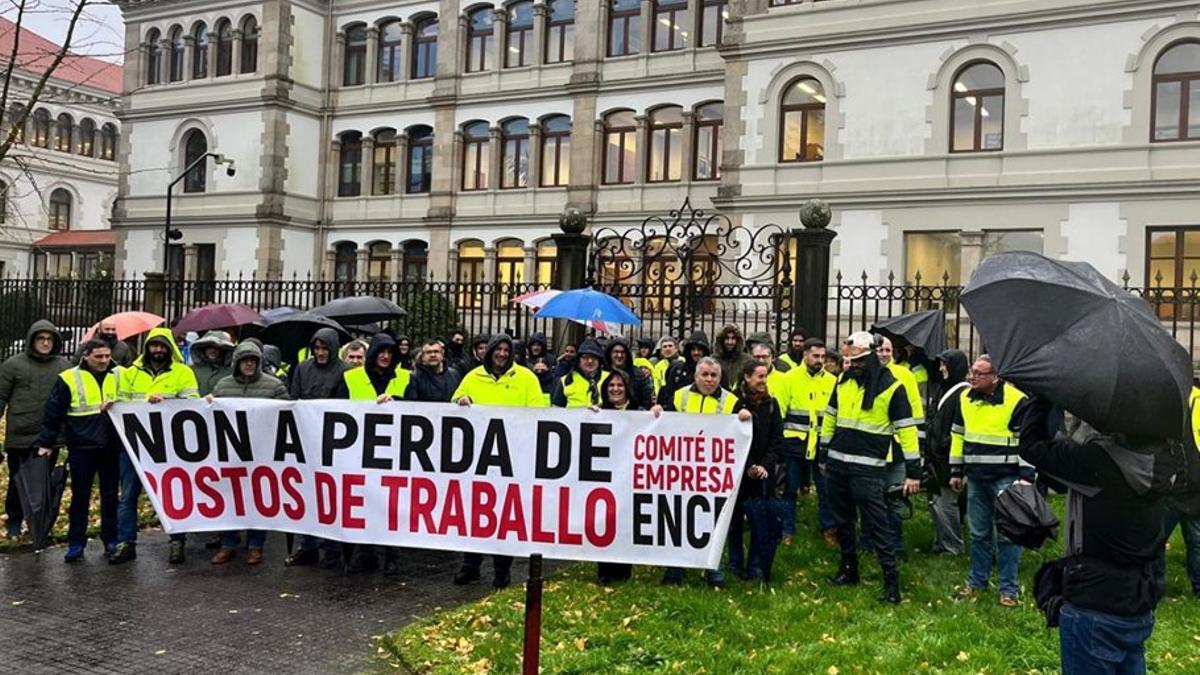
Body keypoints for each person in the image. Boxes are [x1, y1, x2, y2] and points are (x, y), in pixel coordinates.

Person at [1019, 396, 1178, 674]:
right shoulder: (1165, 458)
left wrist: (1043, 397)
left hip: (1094, 601)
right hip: (1139, 596)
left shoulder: (1096, 462)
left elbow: (1032, 447)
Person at [818, 331, 920, 604]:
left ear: (873, 356)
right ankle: (848, 570)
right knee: (843, 521)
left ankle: (891, 583)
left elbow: (907, 431)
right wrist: (823, 451)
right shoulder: (843, 381)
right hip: (839, 464)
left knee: (878, 524)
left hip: (868, 469)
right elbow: (830, 416)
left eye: (860, 360)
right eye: (851, 360)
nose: (855, 365)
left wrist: (914, 471)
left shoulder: (892, 387)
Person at [452, 333, 548, 588]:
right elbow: (454, 402)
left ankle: (501, 570)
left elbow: (538, 412)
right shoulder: (472, 377)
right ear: (489, 351)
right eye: (498, 349)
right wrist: (461, 401)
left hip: (512, 458)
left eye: (507, 350)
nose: (502, 354)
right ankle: (470, 565)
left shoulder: (526, 378)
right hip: (478, 459)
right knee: (474, 513)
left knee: (505, 516)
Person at [655, 357, 751, 588]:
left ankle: (713, 572)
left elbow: (742, 431)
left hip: (713, 475)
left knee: (714, 523)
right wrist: (657, 411)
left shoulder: (732, 401)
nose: (709, 379)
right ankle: (674, 572)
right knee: (678, 521)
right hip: (682, 471)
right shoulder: (679, 396)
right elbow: (662, 424)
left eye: (714, 375)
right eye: (705, 374)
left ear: (720, 378)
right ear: (696, 376)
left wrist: (745, 418)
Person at [110, 327, 200, 565]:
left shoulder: (184, 373)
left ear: (170, 349)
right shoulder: (131, 373)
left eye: (163, 346)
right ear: (147, 347)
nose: (158, 350)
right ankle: (126, 542)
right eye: (154, 345)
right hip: (135, 444)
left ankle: (177, 541)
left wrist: (167, 401)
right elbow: (122, 402)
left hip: (170, 446)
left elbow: (193, 404)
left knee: (174, 494)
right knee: (128, 494)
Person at [949, 355, 1030, 606]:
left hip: (1006, 479)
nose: (972, 377)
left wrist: (1026, 477)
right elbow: (957, 435)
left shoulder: (1017, 401)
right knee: (979, 533)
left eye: (979, 373)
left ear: (996, 377)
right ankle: (976, 582)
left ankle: (1009, 589)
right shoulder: (964, 398)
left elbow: (1028, 442)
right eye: (972, 371)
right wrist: (955, 470)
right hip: (975, 478)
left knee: (1008, 535)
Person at [36, 339, 121, 562]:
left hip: (112, 444)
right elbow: (54, 412)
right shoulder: (69, 378)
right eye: (99, 357)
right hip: (82, 445)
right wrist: (46, 442)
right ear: (86, 355)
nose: (104, 361)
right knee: (80, 496)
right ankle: (76, 543)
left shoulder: (121, 374)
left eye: (107, 356)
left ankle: (111, 540)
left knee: (111, 495)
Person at [207, 341, 289, 565]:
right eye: (245, 360)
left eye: (253, 360)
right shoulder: (223, 386)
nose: (250, 364)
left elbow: (286, 415)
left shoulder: (274, 386)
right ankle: (228, 544)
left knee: (259, 498)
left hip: (262, 452)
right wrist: (208, 404)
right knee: (229, 497)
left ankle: (255, 545)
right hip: (231, 452)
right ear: (237, 363)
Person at [334, 333, 409, 574]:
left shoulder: (406, 378)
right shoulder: (349, 377)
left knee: (392, 505)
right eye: (381, 351)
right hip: (359, 451)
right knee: (361, 503)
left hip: (395, 451)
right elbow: (335, 408)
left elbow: (420, 406)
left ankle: (391, 555)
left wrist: (396, 401)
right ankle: (363, 554)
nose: (385, 356)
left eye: (390, 352)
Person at [285, 327, 350, 569]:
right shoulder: (303, 368)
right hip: (306, 437)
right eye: (317, 348)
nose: (320, 353)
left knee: (330, 493)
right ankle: (308, 545)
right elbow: (294, 398)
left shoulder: (344, 371)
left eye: (325, 348)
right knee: (307, 493)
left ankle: (332, 547)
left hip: (332, 441)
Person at [0, 320, 69, 539]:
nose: (45, 343)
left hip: (49, 436)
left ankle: (37, 524)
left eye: (49, 339)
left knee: (43, 482)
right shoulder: (13, 365)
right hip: (19, 435)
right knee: (17, 480)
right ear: (32, 340)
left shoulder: (63, 367)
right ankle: (14, 521)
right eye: (41, 339)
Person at [728, 361, 784, 582]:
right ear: (747, 378)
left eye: (765, 377)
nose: (764, 381)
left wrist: (764, 466)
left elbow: (777, 439)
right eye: (760, 377)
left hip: (763, 474)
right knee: (734, 523)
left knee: (760, 523)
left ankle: (756, 567)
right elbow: (731, 438)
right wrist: (749, 464)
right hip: (739, 472)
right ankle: (734, 565)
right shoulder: (735, 403)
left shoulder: (771, 404)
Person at [782, 338, 837, 545]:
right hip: (795, 443)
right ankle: (787, 530)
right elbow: (781, 411)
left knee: (826, 490)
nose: (820, 360)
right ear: (805, 355)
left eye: (823, 356)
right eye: (815, 356)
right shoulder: (790, 378)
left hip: (822, 444)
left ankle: (829, 529)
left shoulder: (832, 381)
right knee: (790, 488)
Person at [875, 335, 926, 558]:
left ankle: (895, 545)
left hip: (897, 447)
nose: (885, 354)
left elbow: (915, 409)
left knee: (895, 499)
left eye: (888, 350)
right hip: (873, 448)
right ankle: (871, 542)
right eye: (880, 350)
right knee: (873, 501)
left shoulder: (905, 375)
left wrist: (917, 443)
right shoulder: (866, 374)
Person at [594, 369, 645, 585]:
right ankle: (604, 571)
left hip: (629, 477)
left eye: (620, 386)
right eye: (611, 386)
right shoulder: (598, 412)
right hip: (604, 477)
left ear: (627, 388)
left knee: (625, 523)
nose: (615, 389)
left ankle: (624, 571)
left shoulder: (639, 412)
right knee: (603, 522)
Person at [925, 349, 969, 557]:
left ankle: (952, 546)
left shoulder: (963, 392)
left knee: (946, 503)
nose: (941, 369)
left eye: (945, 365)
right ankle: (940, 542)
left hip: (947, 456)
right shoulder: (945, 389)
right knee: (936, 502)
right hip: (937, 456)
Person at [1157, 385, 1200, 598]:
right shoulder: (1196, 401)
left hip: (1173, 487)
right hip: (1196, 488)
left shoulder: (1167, 400)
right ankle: (1199, 587)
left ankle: (1155, 587)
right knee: (1198, 543)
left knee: (1156, 540)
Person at [551, 338, 607, 408]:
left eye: (594, 357)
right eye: (585, 357)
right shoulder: (565, 381)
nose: (590, 361)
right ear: (579, 360)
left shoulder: (609, 378)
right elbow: (556, 409)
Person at [658, 331, 710, 406]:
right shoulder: (676, 370)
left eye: (700, 350)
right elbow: (669, 395)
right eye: (693, 349)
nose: (696, 353)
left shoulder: (713, 371)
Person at [405, 338, 463, 405]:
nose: (433, 355)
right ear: (423, 357)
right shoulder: (415, 377)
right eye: (428, 352)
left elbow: (460, 396)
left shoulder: (454, 375)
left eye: (436, 351)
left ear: (442, 354)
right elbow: (410, 405)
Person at [605, 338, 655, 410]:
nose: (619, 355)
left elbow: (647, 402)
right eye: (616, 352)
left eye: (623, 352)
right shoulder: (602, 373)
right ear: (609, 354)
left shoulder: (639, 375)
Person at [189, 330, 234, 396]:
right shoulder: (192, 370)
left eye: (217, 348)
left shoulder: (231, 371)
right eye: (210, 347)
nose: (213, 350)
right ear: (203, 348)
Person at [714, 324, 751, 390]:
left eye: (733, 338)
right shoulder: (714, 360)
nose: (730, 342)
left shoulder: (747, 360)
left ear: (738, 340)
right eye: (727, 338)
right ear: (721, 340)